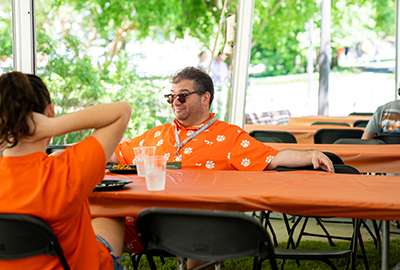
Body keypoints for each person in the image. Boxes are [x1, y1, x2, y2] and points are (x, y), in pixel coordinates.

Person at [110, 66, 333, 268]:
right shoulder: (157, 135)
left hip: (198, 224)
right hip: (144, 222)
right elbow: (114, 154)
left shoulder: (228, 137)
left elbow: (272, 158)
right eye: (171, 96)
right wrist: (77, 151)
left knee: (203, 229)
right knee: (96, 219)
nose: (175, 101)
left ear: (205, 97)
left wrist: (311, 154)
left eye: (182, 96)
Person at [0, 71, 132, 269]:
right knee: (111, 214)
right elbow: (122, 111)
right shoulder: (67, 170)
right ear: (50, 112)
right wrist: (56, 125)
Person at [209, 51, 230, 120]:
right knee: (213, 104)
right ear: (217, 57)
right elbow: (214, 73)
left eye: (222, 60)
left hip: (221, 85)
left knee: (222, 104)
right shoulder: (212, 63)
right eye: (220, 59)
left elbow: (226, 74)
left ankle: (221, 119)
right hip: (214, 86)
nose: (220, 61)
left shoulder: (223, 65)